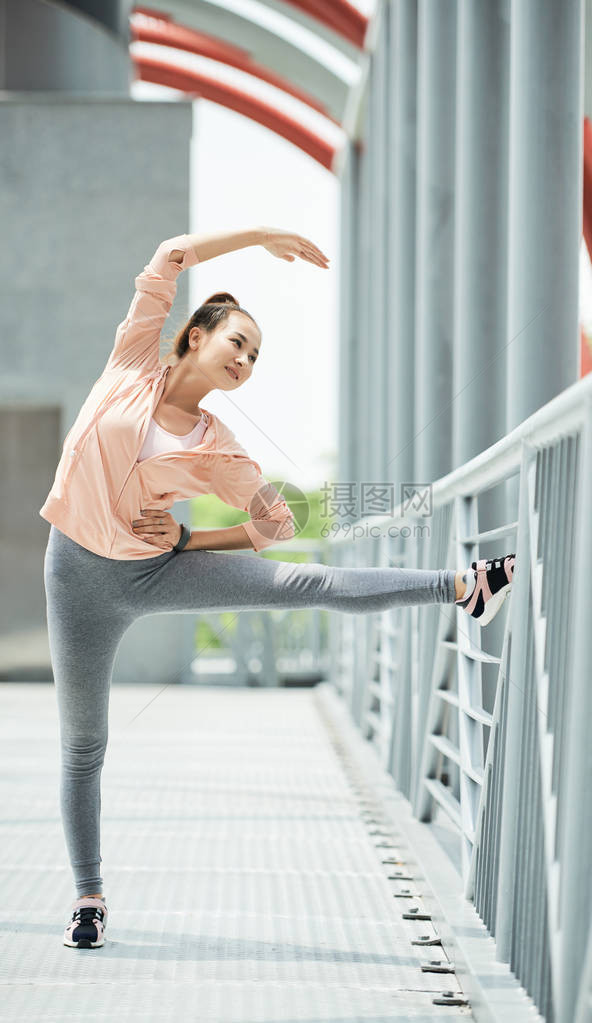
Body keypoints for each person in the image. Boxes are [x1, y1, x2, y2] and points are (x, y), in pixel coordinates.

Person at [40, 227, 515, 949]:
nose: (245, 360)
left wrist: (194, 539)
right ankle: (89, 897)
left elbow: (275, 524)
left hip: (156, 569)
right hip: (76, 575)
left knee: (307, 579)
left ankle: (460, 586)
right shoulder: (132, 361)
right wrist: (261, 236)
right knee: (84, 744)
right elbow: (170, 255)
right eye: (237, 341)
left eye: (255, 356)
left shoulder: (219, 446)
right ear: (194, 335)